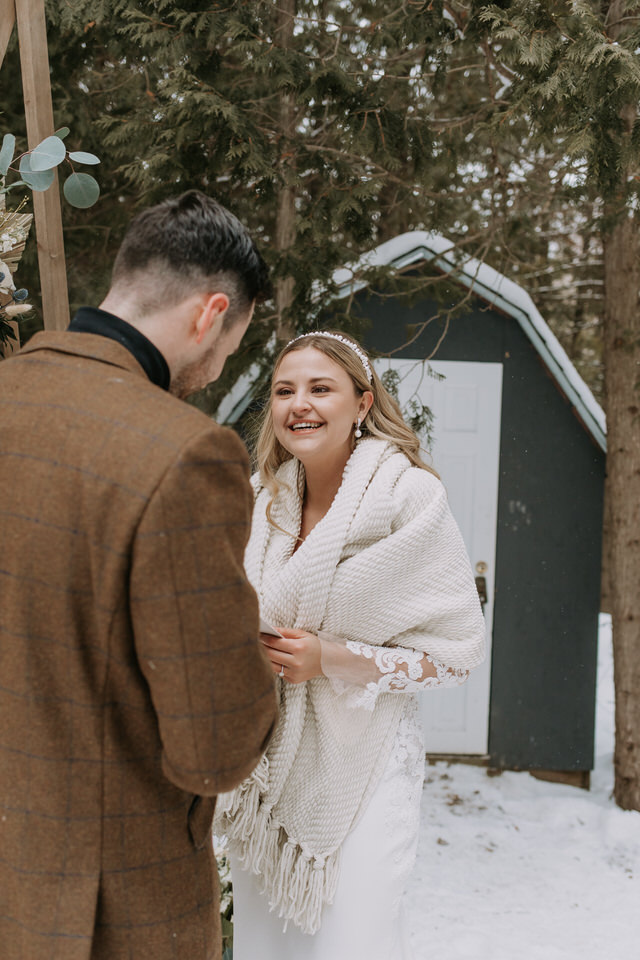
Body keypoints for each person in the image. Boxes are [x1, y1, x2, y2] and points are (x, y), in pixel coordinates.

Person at [0, 191, 279, 960]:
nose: (220, 368)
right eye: (232, 345)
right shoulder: (185, 454)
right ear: (209, 312)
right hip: (103, 909)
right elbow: (215, 746)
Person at [215, 330, 487, 959]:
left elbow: (455, 654)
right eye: (284, 390)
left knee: (352, 942)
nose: (298, 404)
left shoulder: (409, 498)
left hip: (366, 765)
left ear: (363, 404)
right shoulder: (265, 500)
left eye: (320, 388)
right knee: (268, 943)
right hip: (270, 764)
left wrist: (328, 659)